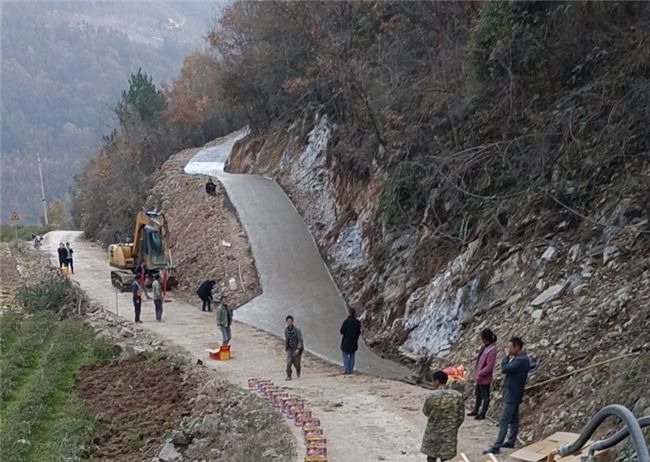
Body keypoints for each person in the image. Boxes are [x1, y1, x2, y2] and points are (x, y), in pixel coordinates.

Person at [484, 337, 530, 455]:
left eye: (510, 347)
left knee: (504, 420)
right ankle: (511, 440)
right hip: (513, 393)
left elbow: (505, 369)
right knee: (514, 419)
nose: (508, 349)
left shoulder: (521, 360)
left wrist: (505, 357)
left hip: (512, 394)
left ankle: (497, 445)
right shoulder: (519, 358)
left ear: (517, 347)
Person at [421, 370, 465, 462]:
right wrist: (452, 426)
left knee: (431, 456)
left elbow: (426, 411)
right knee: (446, 458)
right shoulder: (457, 396)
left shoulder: (432, 396)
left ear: (437, 381)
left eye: (433, 381)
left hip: (433, 432)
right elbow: (461, 416)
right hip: (449, 434)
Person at [468, 328, 498, 420]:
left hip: (484, 377)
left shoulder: (492, 349)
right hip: (479, 376)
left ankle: (482, 413)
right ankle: (476, 410)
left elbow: (489, 366)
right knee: (478, 394)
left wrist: (480, 373)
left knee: (485, 396)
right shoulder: (484, 347)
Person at [340, 308, 361, 374]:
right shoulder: (358, 322)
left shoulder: (346, 322)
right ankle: (351, 370)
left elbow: (342, 331)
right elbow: (359, 332)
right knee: (352, 355)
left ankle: (347, 370)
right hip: (354, 340)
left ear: (349, 313)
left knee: (345, 355)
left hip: (346, 340)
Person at [284, 315, 304, 381]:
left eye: (290, 321)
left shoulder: (297, 330)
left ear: (293, 322)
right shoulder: (286, 331)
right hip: (290, 348)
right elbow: (287, 339)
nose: (289, 323)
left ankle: (298, 370)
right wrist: (286, 348)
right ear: (286, 322)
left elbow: (300, 340)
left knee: (296, 364)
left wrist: (298, 349)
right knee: (288, 362)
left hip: (297, 349)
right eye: (288, 321)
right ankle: (289, 375)